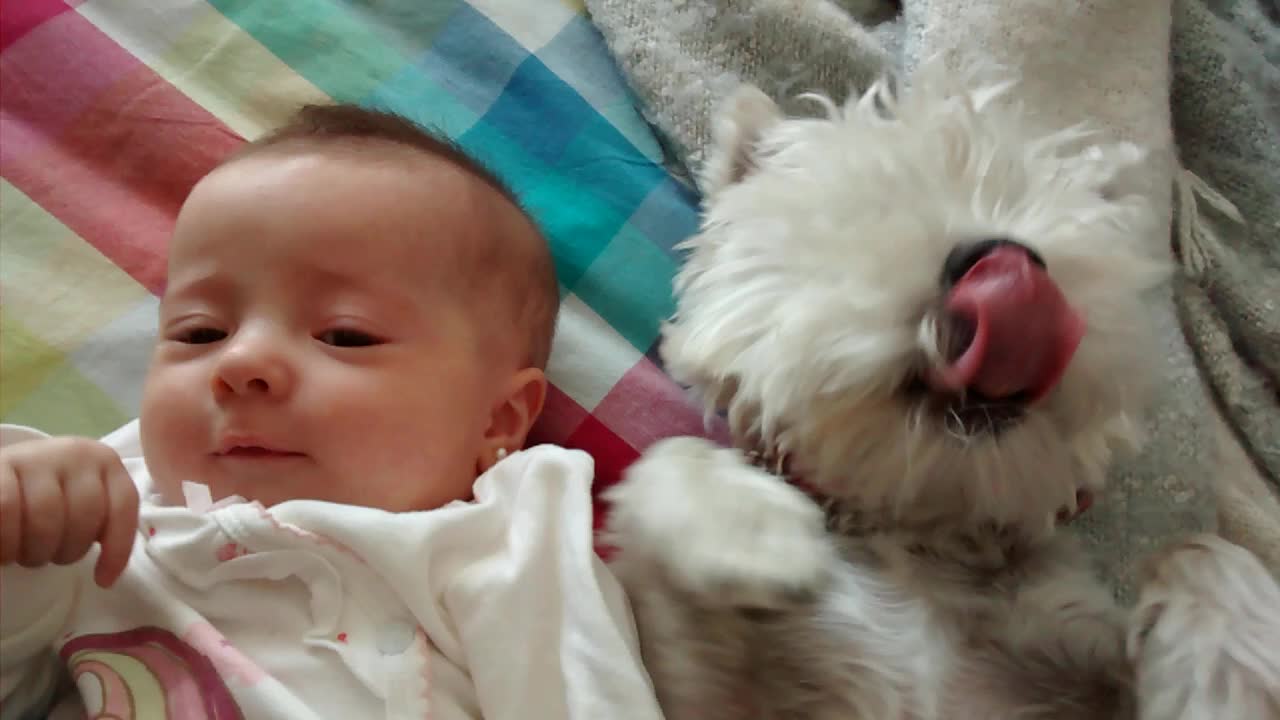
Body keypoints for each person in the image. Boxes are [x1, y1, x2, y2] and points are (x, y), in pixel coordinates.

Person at [0, 105, 661, 719]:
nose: (240, 363)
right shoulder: (103, 520)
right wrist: (19, 544)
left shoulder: (505, 545)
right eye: (199, 332)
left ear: (497, 421)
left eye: (345, 336)